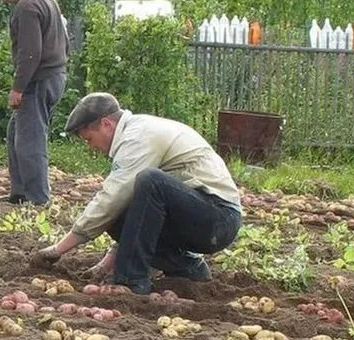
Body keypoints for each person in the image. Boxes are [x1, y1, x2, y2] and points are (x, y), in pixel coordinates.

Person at [32, 92, 242, 295]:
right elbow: (134, 213)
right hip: (198, 215)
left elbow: (112, 198)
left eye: (89, 139)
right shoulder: (135, 132)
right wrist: (105, 264)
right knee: (120, 209)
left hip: (219, 219)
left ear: (106, 124)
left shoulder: (138, 136)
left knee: (150, 181)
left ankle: (131, 281)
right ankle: (189, 269)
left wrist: (59, 249)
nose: (91, 147)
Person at [0, 0, 69, 205]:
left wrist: (18, 87)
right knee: (16, 133)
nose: (4, 1)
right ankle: (20, 193)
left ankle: (38, 200)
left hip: (38, 80)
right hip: (53, 76)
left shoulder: (26, 7)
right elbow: (65, 39)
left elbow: (30, 53)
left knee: (30, 141)